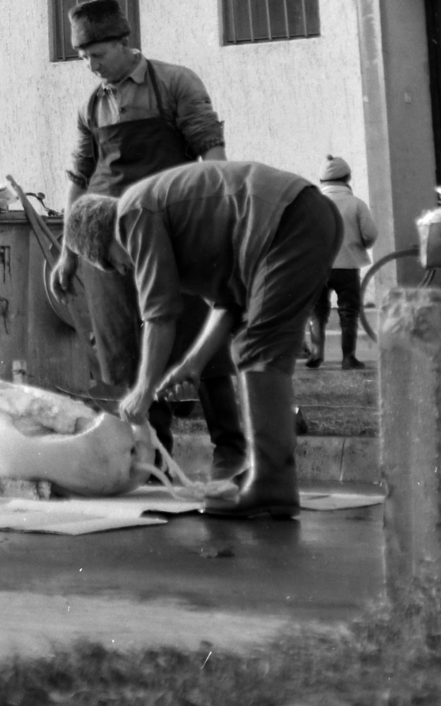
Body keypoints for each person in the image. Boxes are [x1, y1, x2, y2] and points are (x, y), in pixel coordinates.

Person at [63, 160, 344, 519]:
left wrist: (143, 391)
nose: (125, 270)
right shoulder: (169, 224)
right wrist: (191, 365)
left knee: (259, 350)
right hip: (305, 217)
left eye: (115, 264)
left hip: (288, 221)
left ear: (106, 240)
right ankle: (270, 476)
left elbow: (159, 317)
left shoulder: (132, 216)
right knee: (255, 345)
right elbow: (228, 303)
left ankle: (272, 483)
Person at [45, 0, 244, 482]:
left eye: (96, 55)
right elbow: (79, 176)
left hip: (173, 231)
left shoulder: (175, 82)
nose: (90, 67)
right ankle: (153, 455)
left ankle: (231, 450)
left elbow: (212, 155)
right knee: (124, 351)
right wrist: (69, 253)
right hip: (109, 243)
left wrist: (218, 225)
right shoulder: (91, 105)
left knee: (201, 338)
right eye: (83, 58)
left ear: (123, 42)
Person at [304, 156, 378, 370]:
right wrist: (360, 244)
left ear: (322, 180)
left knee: (317, 310)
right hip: (348, 266)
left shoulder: (312, 204)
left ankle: (317, 354)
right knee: (348, 312)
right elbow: (370, 233)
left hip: (318, 267)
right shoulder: (356, 204)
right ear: (347, 178)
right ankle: (348, 357)